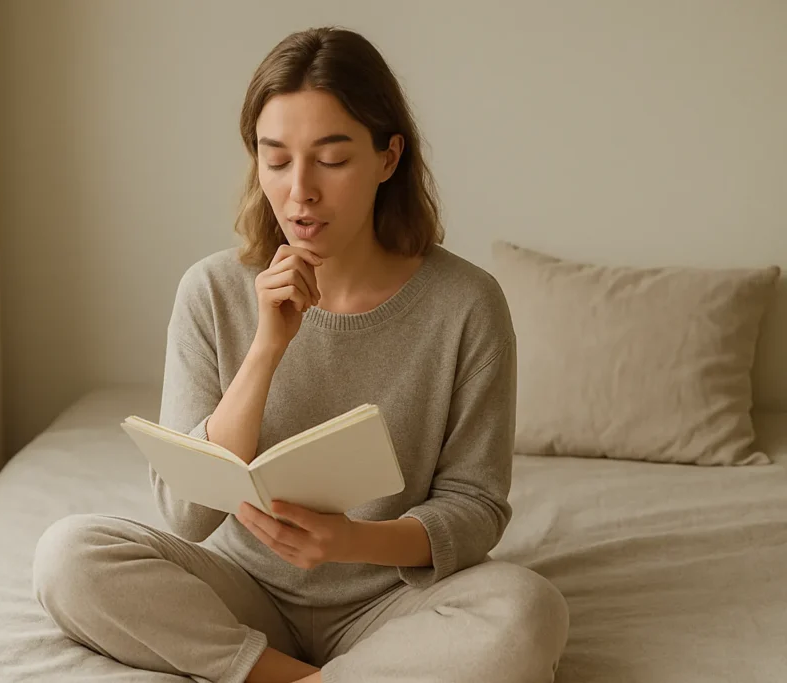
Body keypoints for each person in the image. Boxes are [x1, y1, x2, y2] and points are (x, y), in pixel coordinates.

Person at [32, 26, 569, 683]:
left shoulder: (467, 303)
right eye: (276, 157)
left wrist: (349, 541)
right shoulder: (210, 290)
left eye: (331, 158)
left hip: (392, 598)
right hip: (240, 585)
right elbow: (186, 513)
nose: (300, 190)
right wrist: (268, 346)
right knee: (68, 555)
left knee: (529, 611)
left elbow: (475, 507)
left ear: (388, 157)